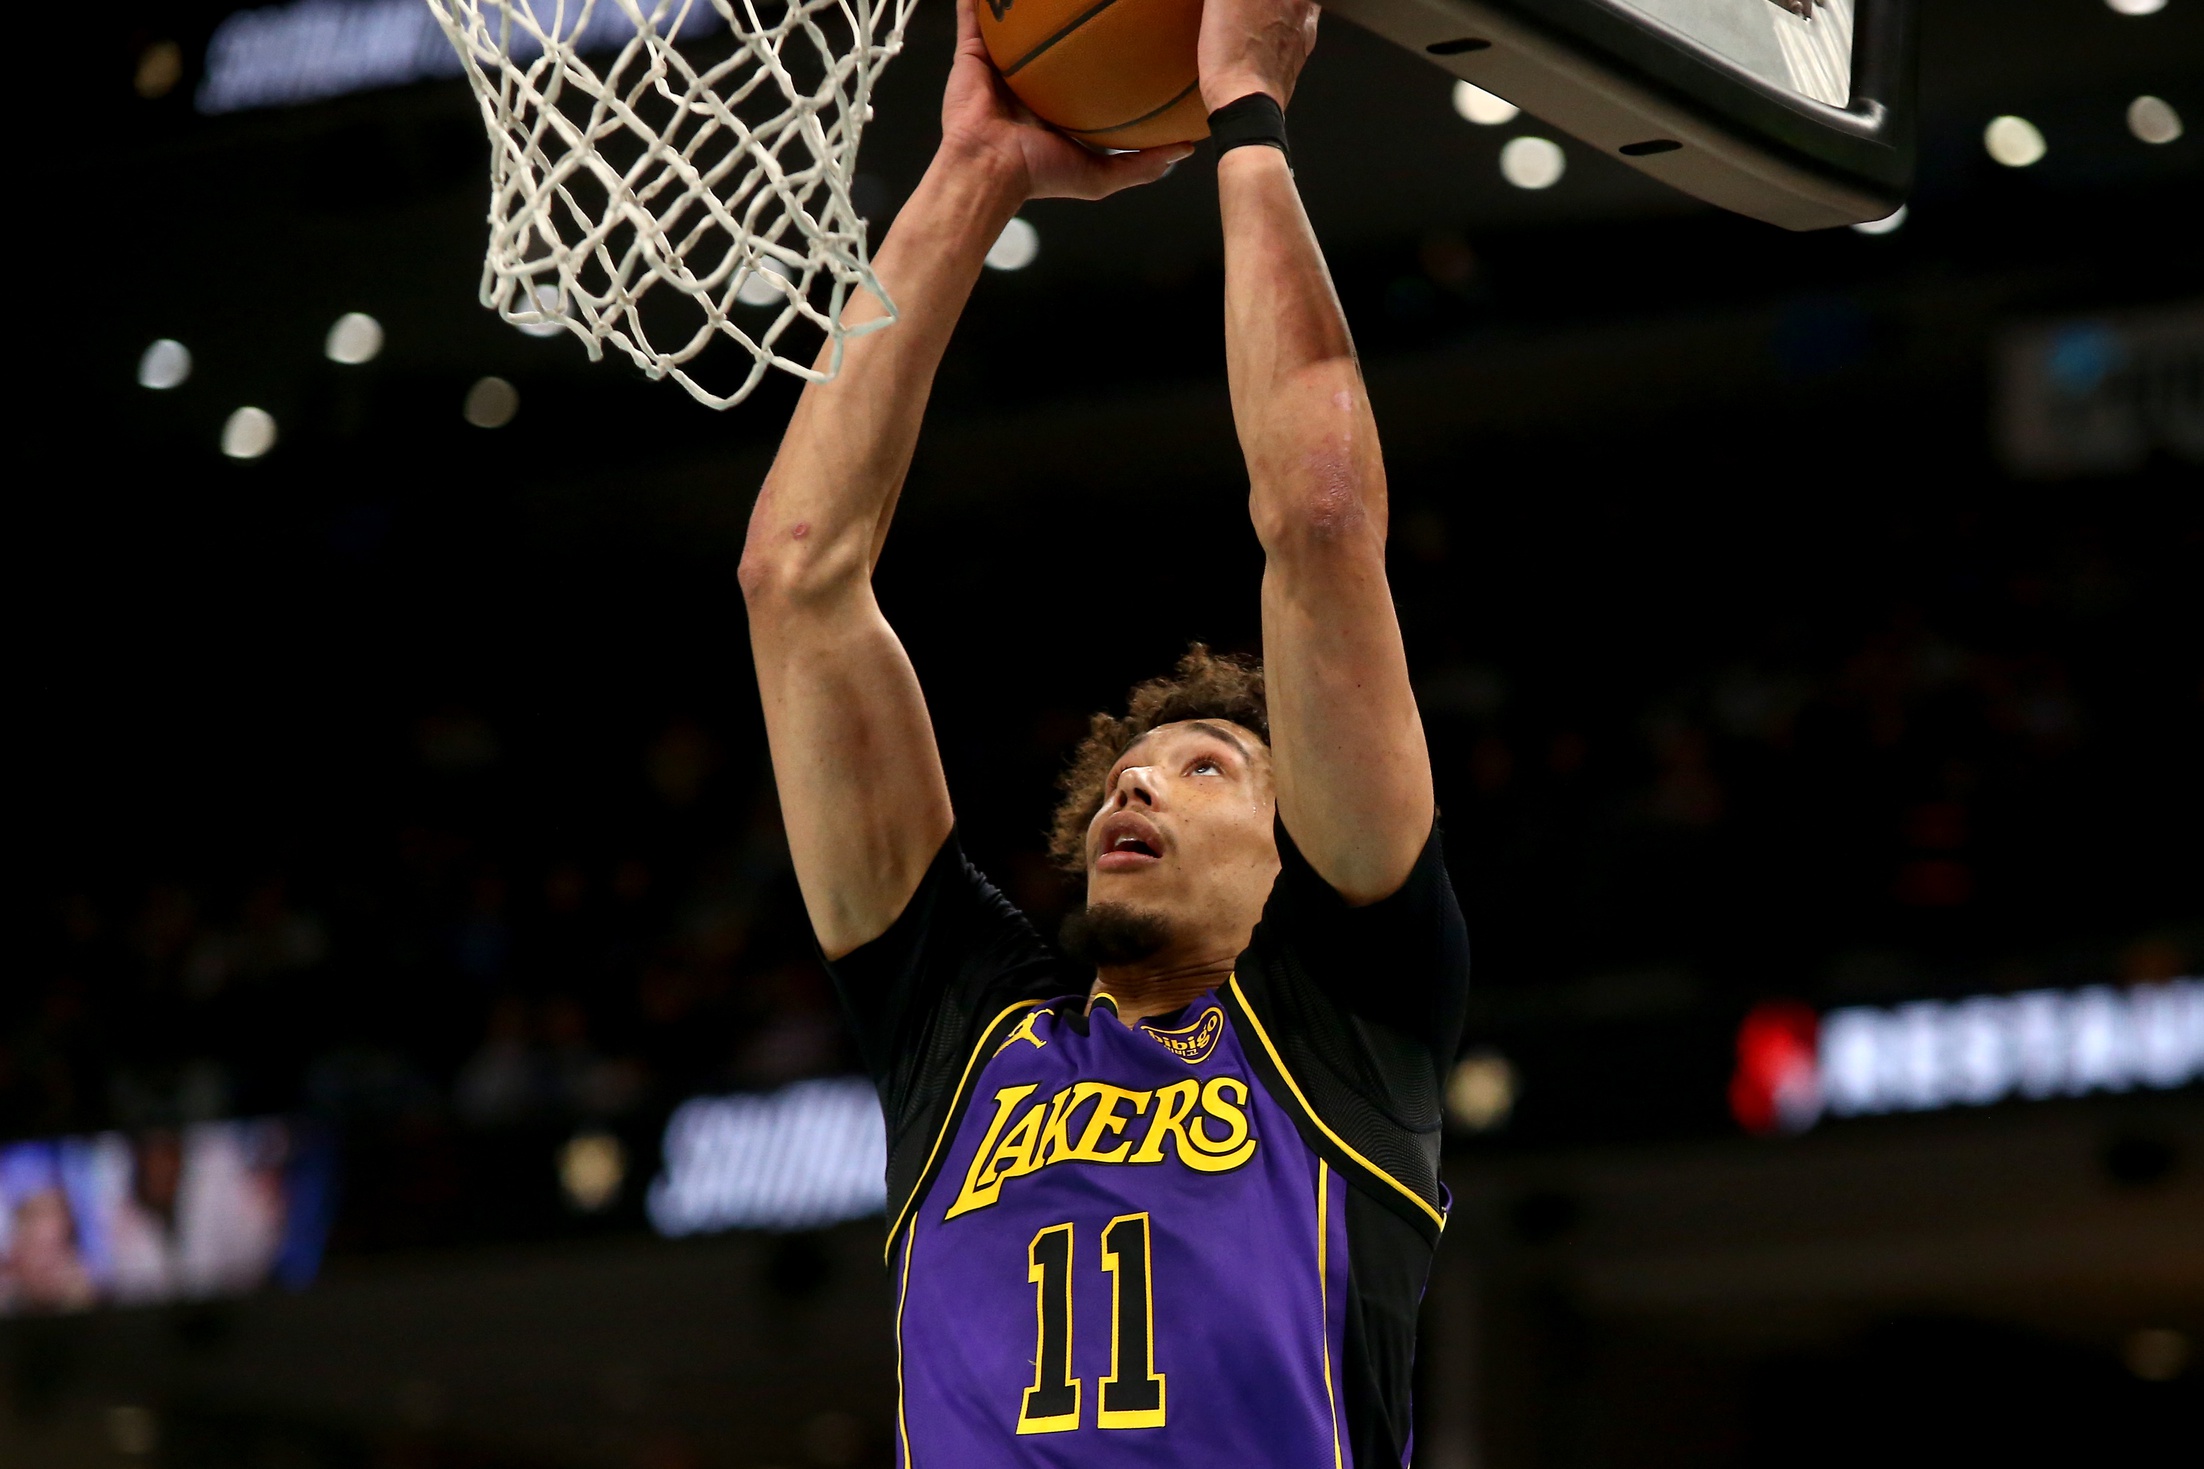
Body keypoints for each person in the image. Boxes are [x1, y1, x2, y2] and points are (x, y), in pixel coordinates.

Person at [739, 0, 1468, 1460]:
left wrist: (1246, 115)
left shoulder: (1347, 1022)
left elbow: (1320, 520)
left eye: (1210, 767)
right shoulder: (972, 1030)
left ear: (1296, 853)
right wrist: (973, 174)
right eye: (1132, 768)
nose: (1140, 776)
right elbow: (797, 576)